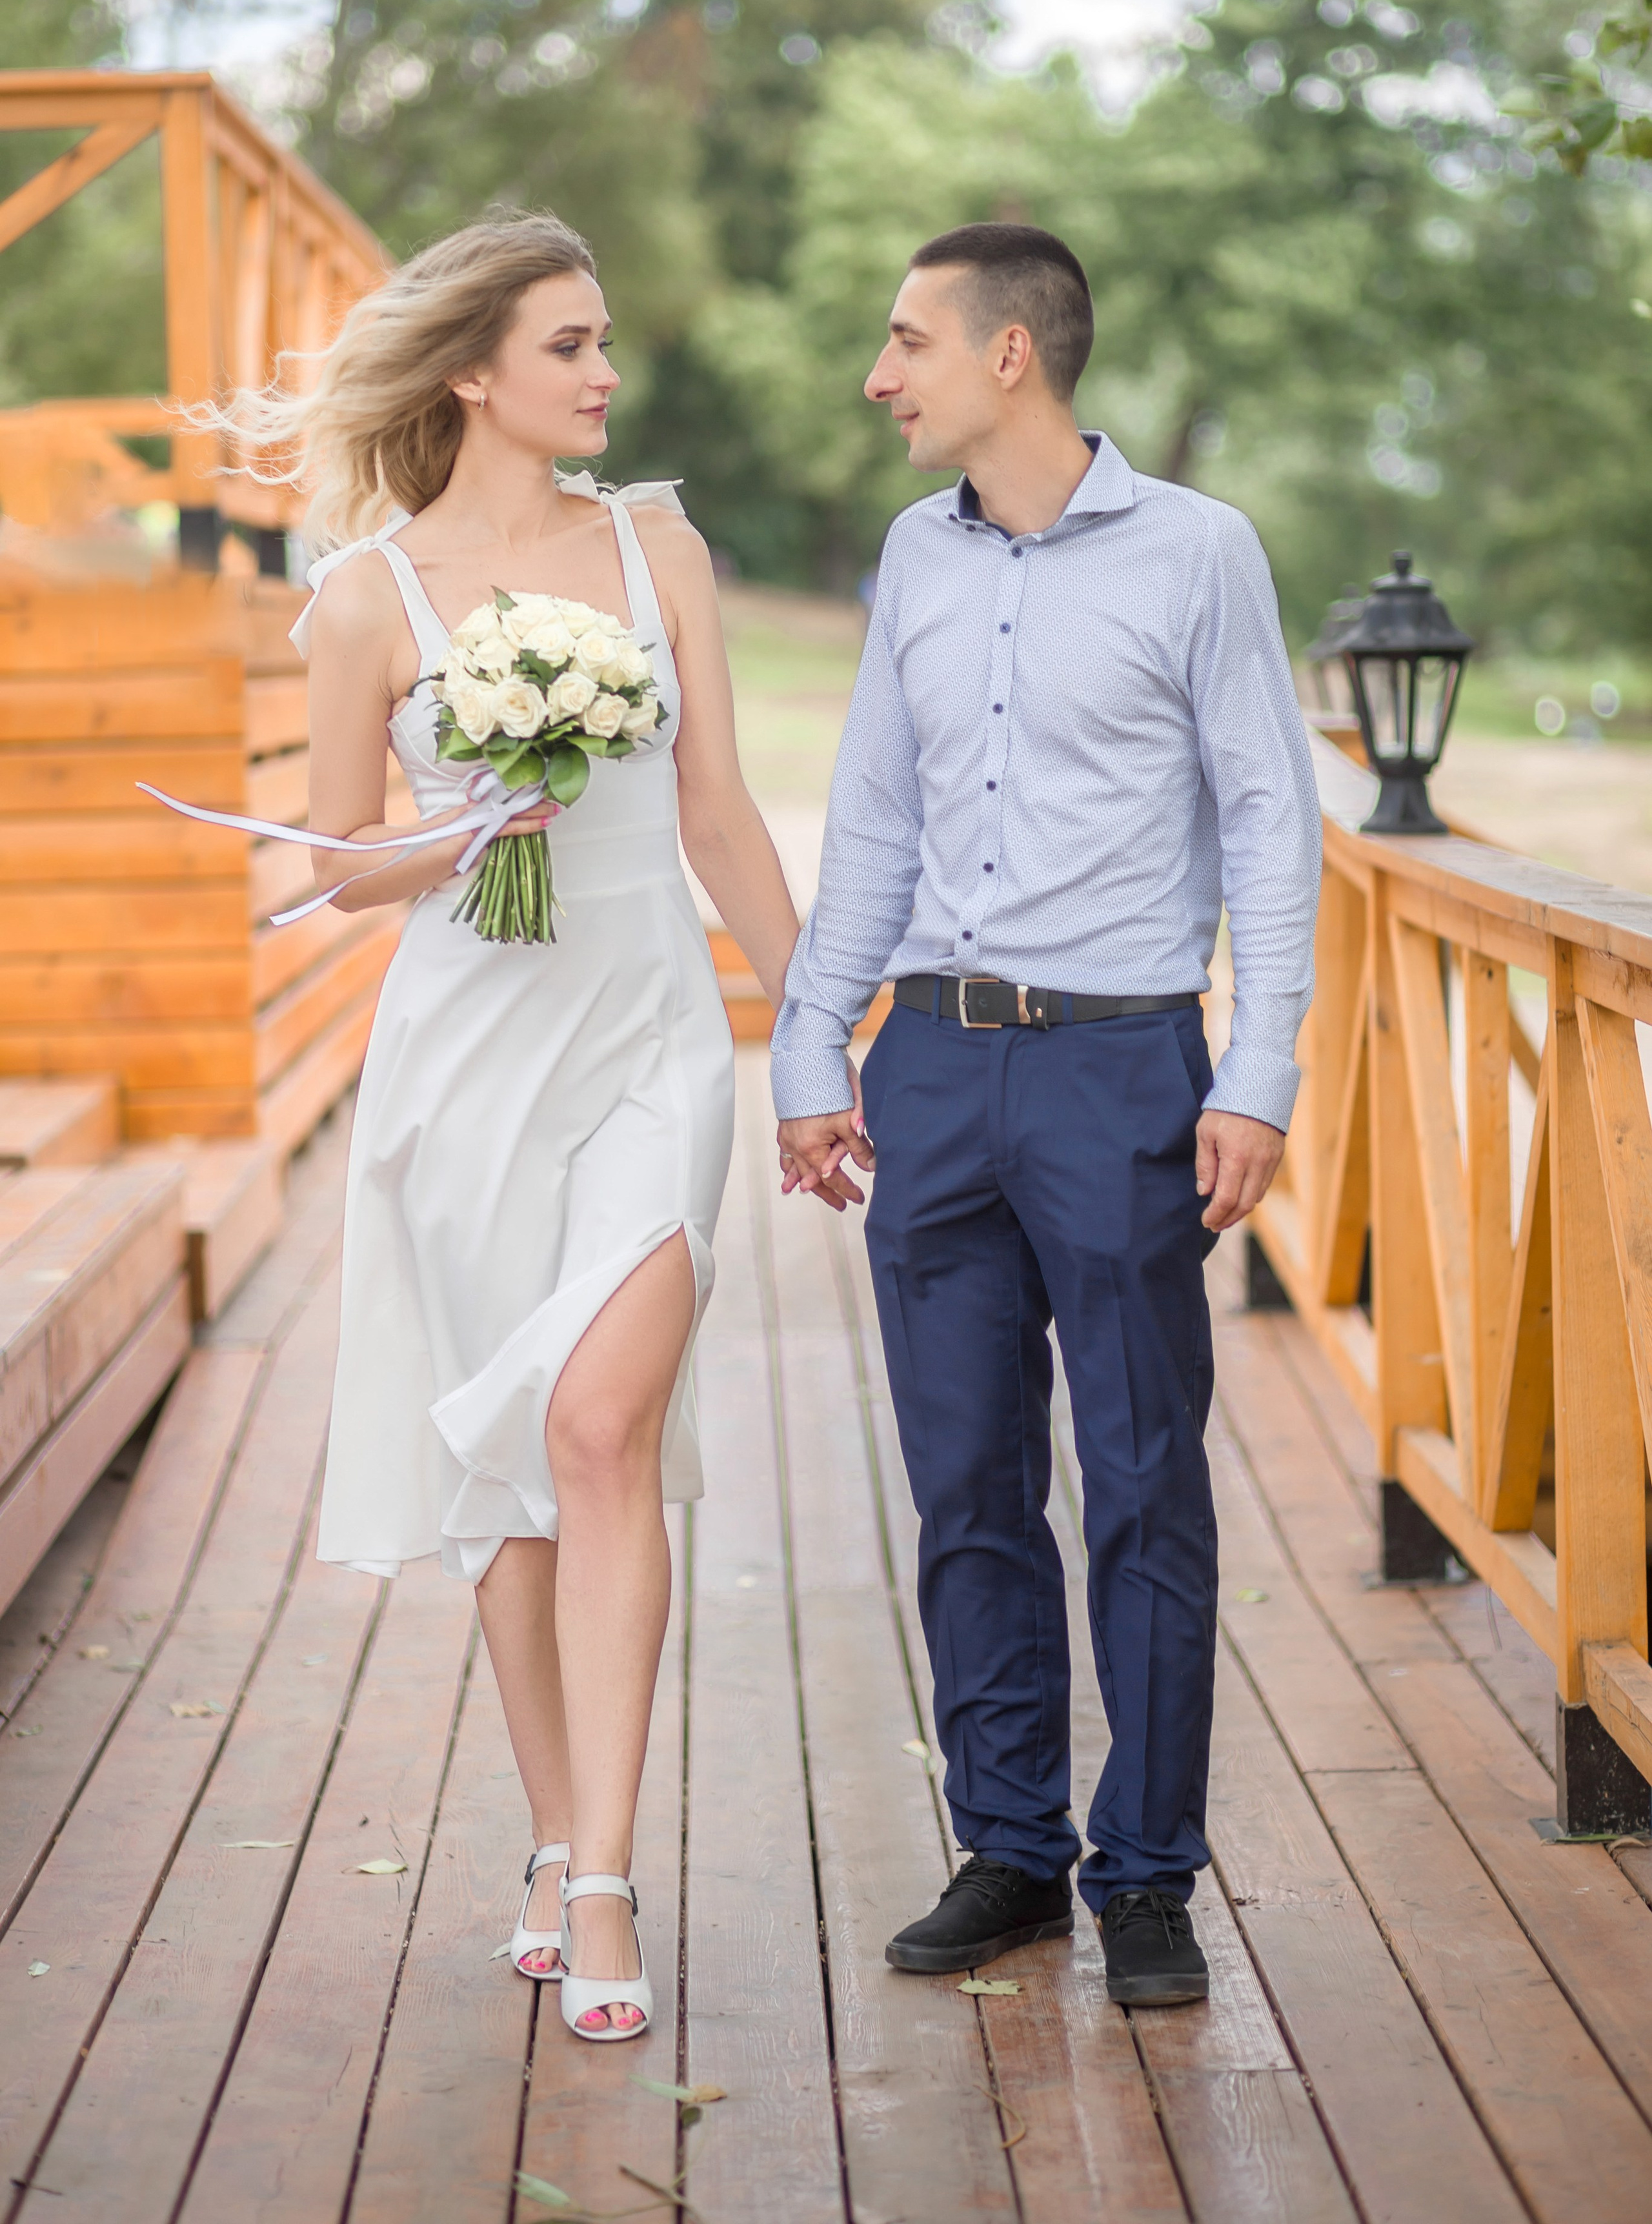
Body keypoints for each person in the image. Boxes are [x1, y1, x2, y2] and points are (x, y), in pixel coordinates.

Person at [235, 212, 798, 2041]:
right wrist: (469, 830)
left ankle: (614, 1871)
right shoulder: (364, 599)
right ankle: (555, 1836)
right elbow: (333, 866)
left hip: (649, 1040)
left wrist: (820, 1027)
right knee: (515, 1491)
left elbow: (714, 812)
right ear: (472, 371)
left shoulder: (660, 547)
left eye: (602, 341)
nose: (603, 373)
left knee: (597, 1422)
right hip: (465, 1063)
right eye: (569, 345)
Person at [771, 223, 1320, 2007]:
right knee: (965, 1485)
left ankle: (1146, 1873)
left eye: (906, 340)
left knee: (1147, 1483)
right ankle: (1012, 1847)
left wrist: (1256, 1075)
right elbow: (869, 820)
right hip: (932, 1068)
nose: (881, 375)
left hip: (1122, 1071)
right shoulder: (912, 562)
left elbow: (1271, 823)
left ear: (1012, 356)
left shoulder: (1199, 554)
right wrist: (809, 1053)